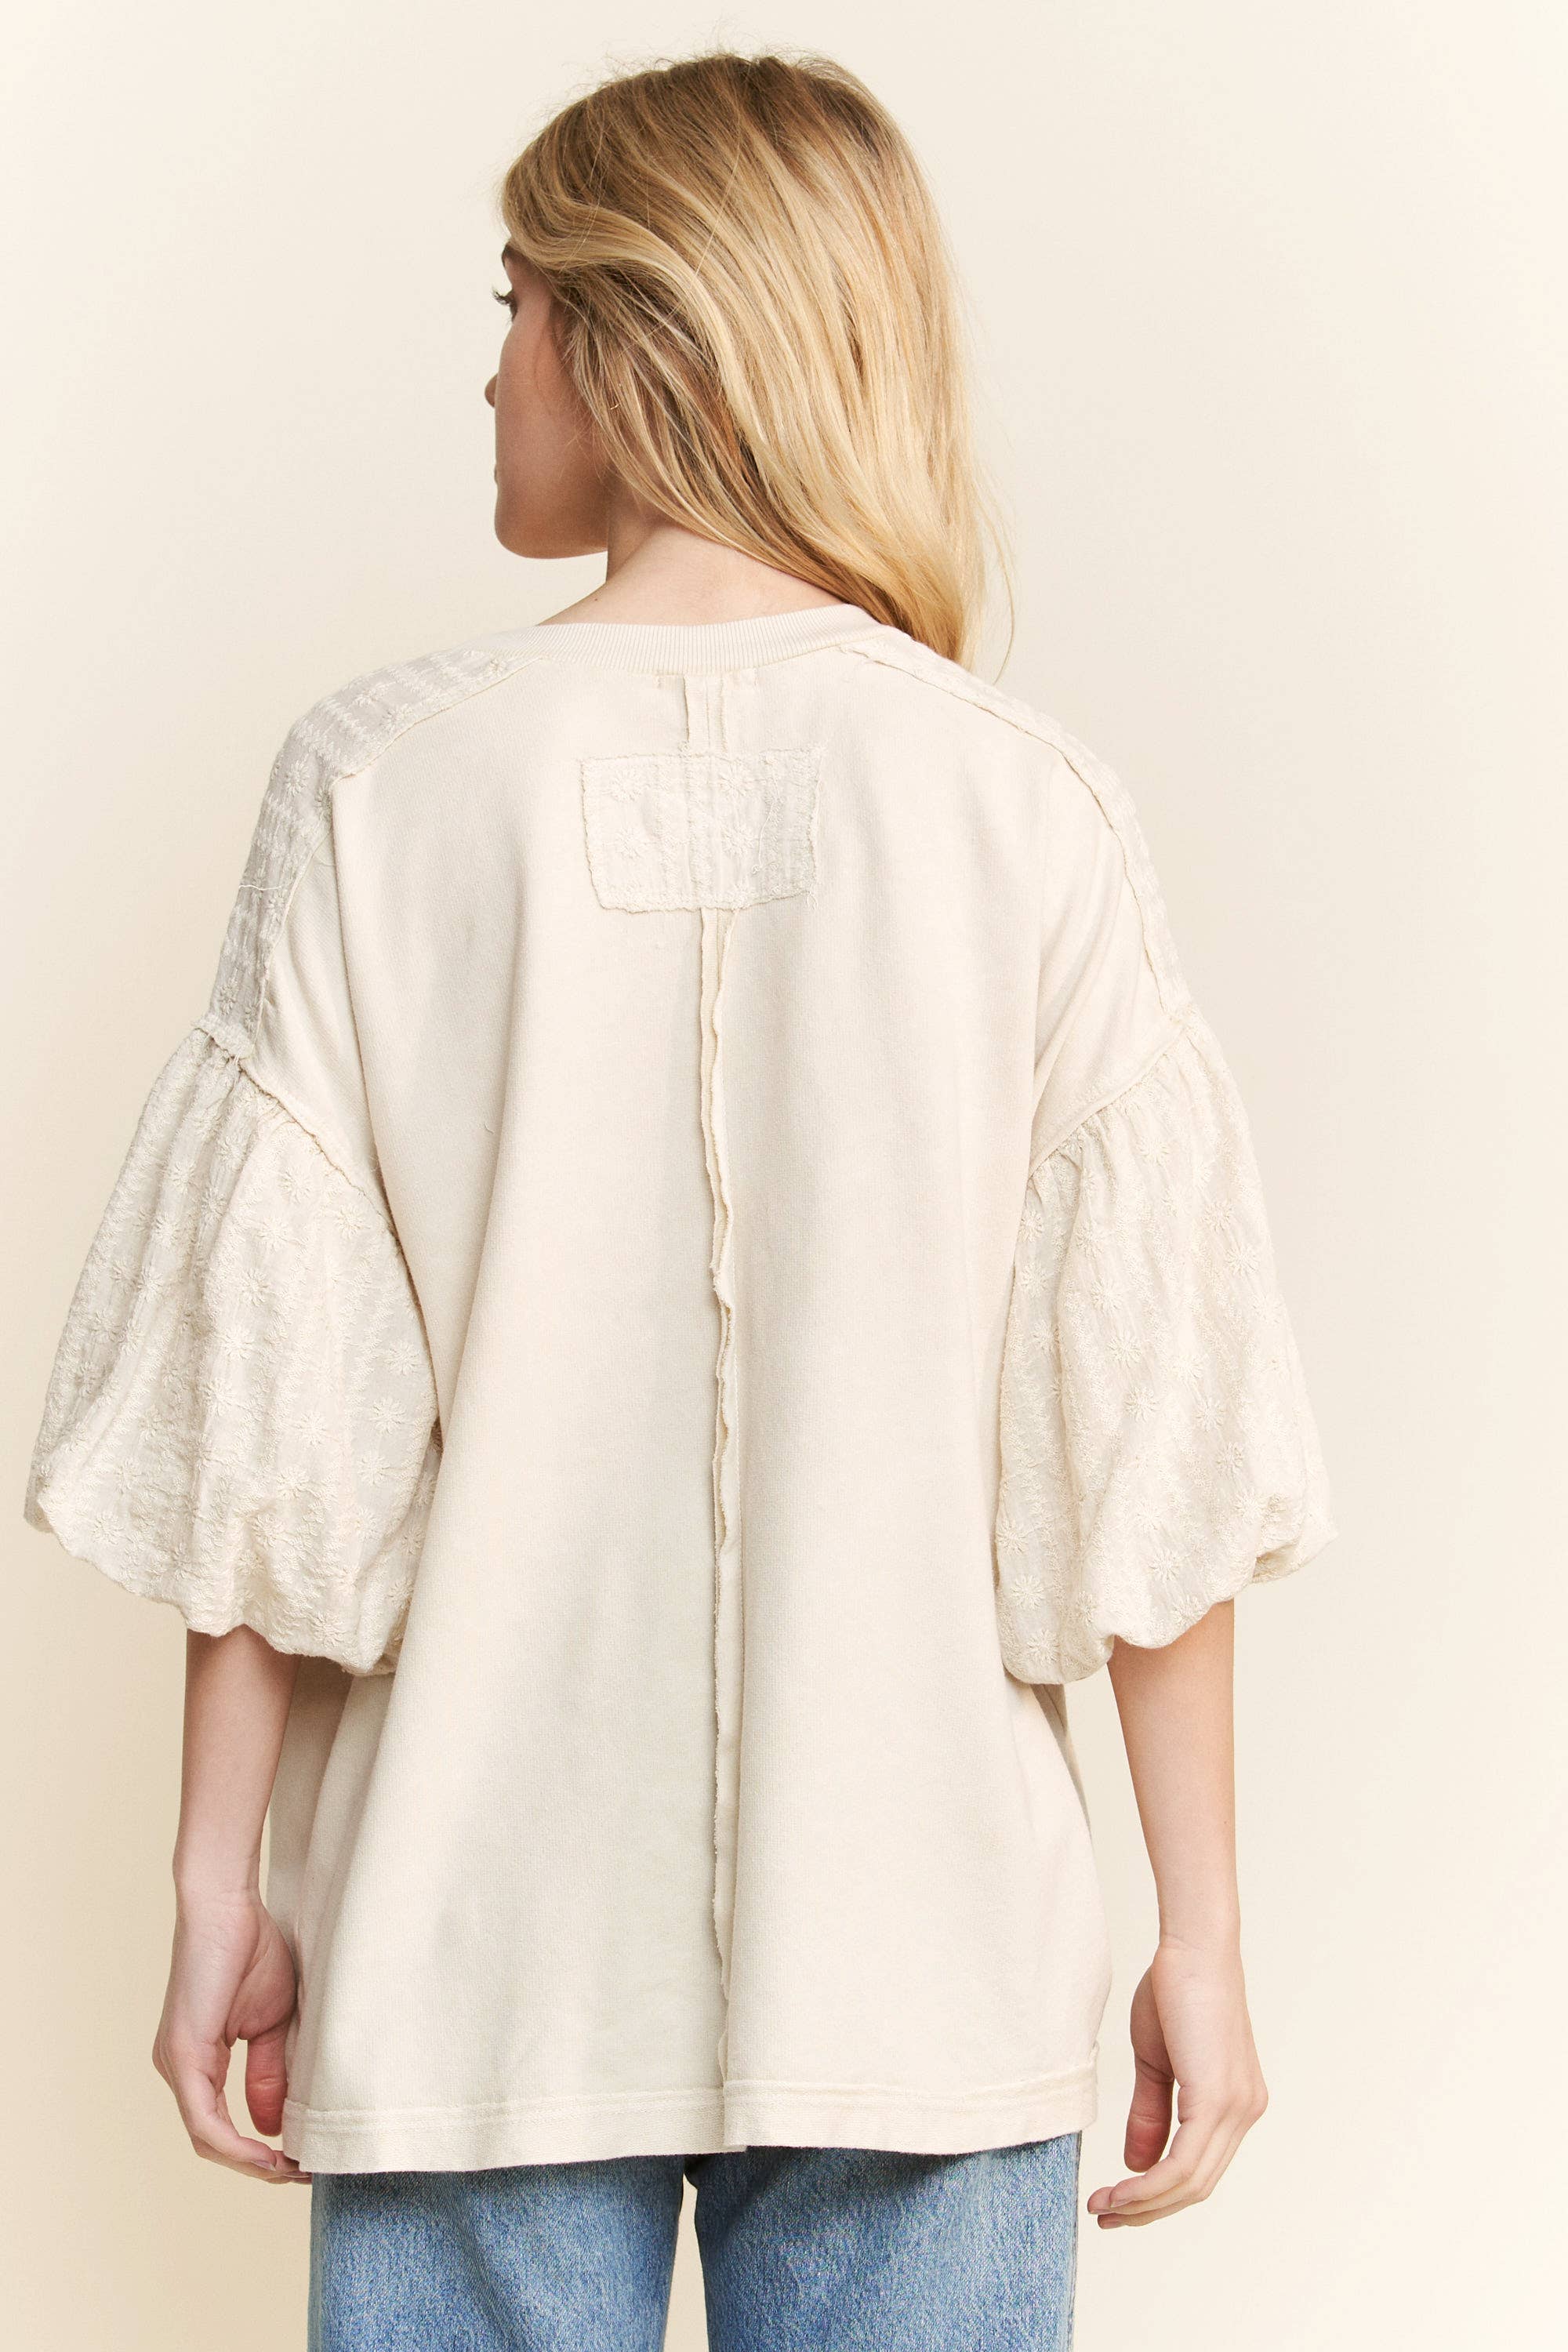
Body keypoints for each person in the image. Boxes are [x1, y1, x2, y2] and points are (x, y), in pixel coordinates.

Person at [22, 47, 1337, 2352]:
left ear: (648, 333)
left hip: (475, 1949)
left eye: (518, 303)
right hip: (928, 1951)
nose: (492, 369)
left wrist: (219, 1882)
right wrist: (1201, 1935)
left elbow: (276, 1443)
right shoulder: (1027, 809)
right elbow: (1150, 1446)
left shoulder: (378, 794)